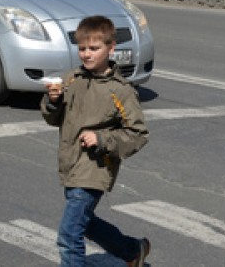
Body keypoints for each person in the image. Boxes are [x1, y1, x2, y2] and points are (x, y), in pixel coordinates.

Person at [41, 15, 150, 267]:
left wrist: (101, 138)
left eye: (94, 48)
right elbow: (53, 118)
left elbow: (138, 133)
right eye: (82, 48)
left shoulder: (120, 90)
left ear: (111, 49)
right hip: (71, 164)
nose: (86, 54)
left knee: (69, 235)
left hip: (95, 169)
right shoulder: (72, 80)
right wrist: (53, 102)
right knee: (85, 222)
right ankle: (132, 251)